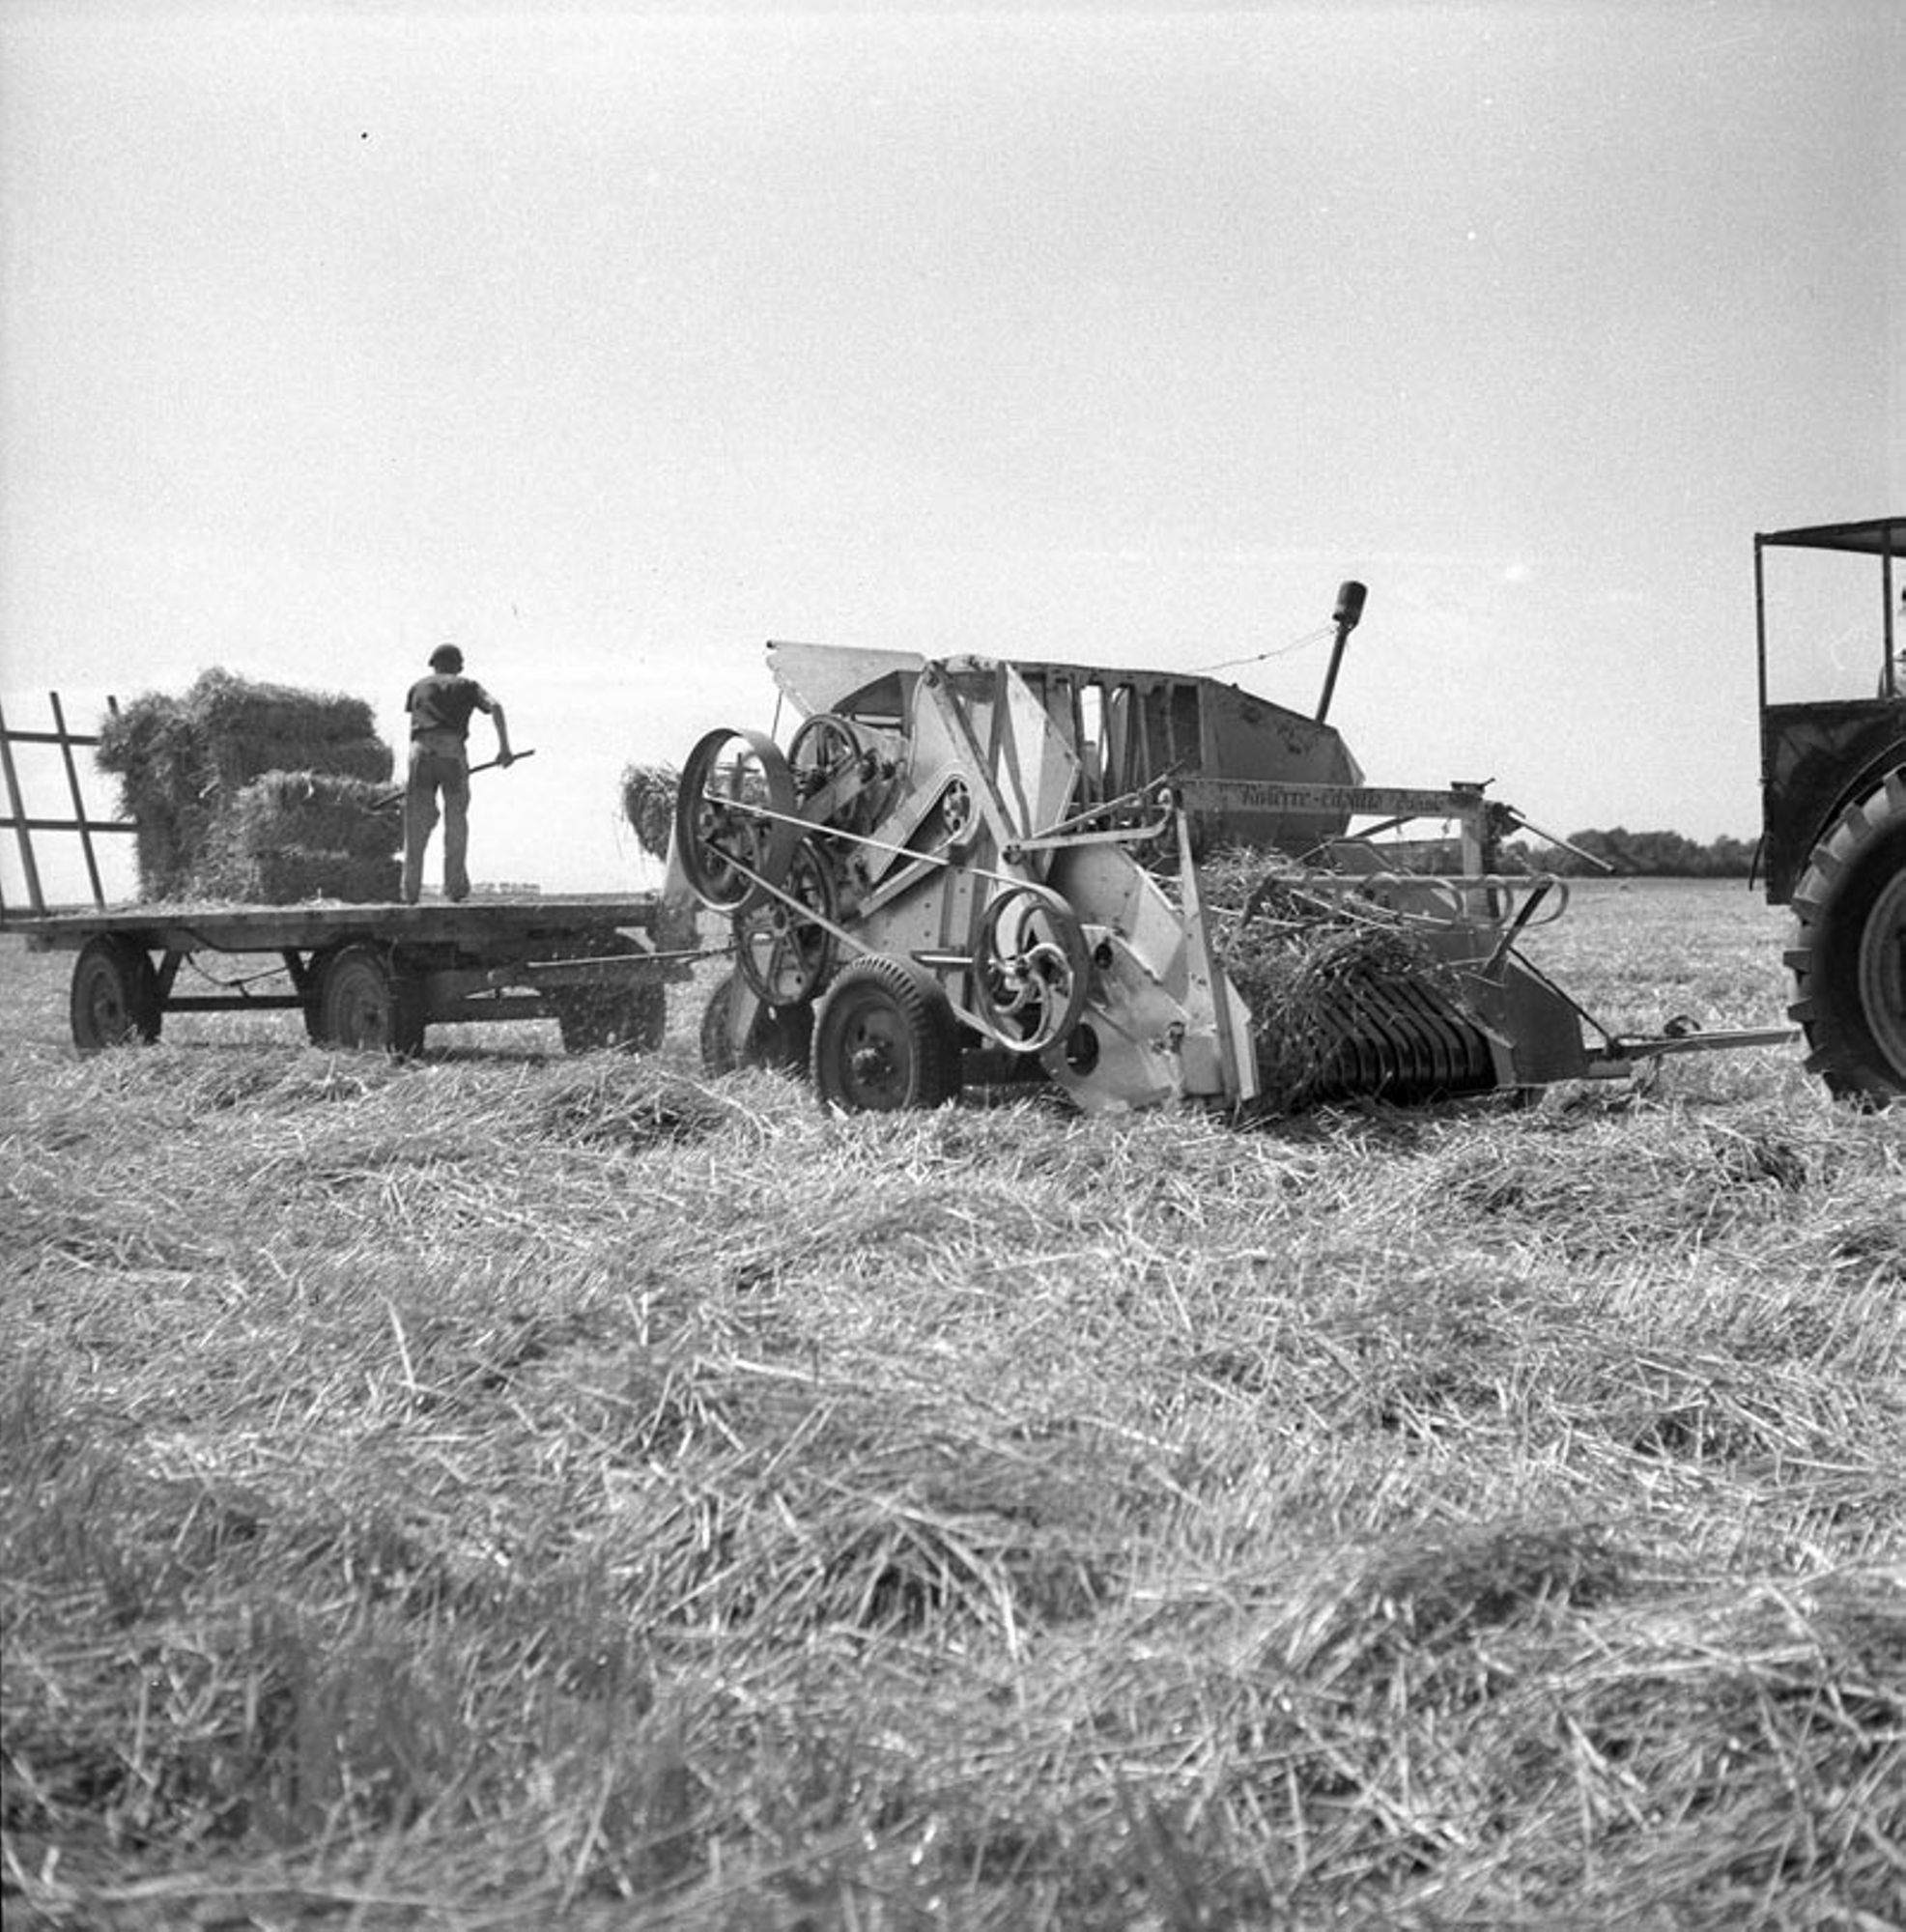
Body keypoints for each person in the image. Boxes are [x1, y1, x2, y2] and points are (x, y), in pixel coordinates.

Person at [400, 642, 514, 903]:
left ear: (434, 664)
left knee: (416, 822)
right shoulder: (468, 685)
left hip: (420, 752)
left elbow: (416, 717)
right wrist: (504, 748)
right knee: (456, 820)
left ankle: (409, 893)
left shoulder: (417, 687)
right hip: (452, 752)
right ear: (458, 665)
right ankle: (454, 889)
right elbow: (495, 706)